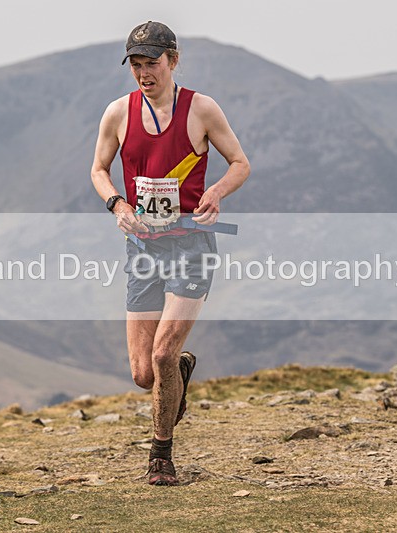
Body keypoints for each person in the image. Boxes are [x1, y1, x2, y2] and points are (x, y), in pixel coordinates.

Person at [90, 21, 250, 486]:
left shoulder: (201, 109)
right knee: (144, 374)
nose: (144, 73)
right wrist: (116, 204)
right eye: (136, 65)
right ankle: (179, 371)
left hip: (190, 246)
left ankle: (161, 456)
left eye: (152, 63)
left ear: (173, 60)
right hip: (142, 249)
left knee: (161, 353)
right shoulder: (118, 113)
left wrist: (217, 191)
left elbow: (240, 163)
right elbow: (99, 169)